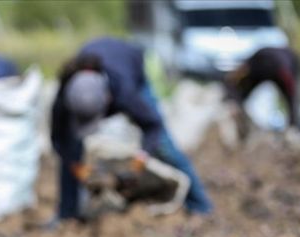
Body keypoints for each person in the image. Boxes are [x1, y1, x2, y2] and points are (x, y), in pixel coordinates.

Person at [50, 37, 212, 221]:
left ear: (108, 100)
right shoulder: (66, 96)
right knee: (71, 148)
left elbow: (152, 125)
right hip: (101, 68)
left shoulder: (126, 92)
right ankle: (67, 214)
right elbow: (58, 139)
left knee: (165, 146)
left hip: (133, 70)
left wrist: (138, 163)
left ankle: (201, 206)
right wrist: (78, 169)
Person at [224, 47, 300, 135]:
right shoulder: (257, 63)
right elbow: (237, 78)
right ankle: (241, 122)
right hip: (267, 64)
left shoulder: (281, 66)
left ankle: (296, 128)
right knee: (292, 100)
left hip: (282, 65)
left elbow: (291, 89)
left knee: (292, 100)